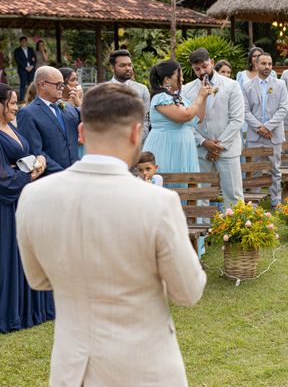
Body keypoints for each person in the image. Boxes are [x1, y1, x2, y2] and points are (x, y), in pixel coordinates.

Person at [16, 83, 206, 386]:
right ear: (135, 133)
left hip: (74, 370)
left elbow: (39, 279)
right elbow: (188, 291)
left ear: (80, 132)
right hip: (147, 368)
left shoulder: (33, 197)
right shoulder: (158, 202)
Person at [0, 84, 52, 333]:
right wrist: (30, 175)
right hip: (5, 206)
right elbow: (4, 178)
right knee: (8, 256)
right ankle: (9, 314)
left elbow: (24, 154)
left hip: (21, 200)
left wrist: (38, 160)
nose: (15, 107)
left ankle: (27, 309)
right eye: (10, 103)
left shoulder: (10, 127)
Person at [184, 48, 244, 206]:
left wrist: (218, 146)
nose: (202, 71)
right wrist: (204, 142)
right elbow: (186, 121)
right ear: (193, 69)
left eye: (205, 66)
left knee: (233, 195)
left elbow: (237, 119)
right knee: (200, 195)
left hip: (227, 149)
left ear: (211, 62)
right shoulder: (187, 89)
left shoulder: (232, 85)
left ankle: (237, 230)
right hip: (201, 149)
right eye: (197, 69)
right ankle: (202, 230)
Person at [143, 60, 211, 175]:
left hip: (184, 148)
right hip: (166, 147)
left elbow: (199, 118)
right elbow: (185, 115)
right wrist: (199, 96)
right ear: (167, 79)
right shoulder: (161, 98)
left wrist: (204, 97)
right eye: (179, 75)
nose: (182, 79)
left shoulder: (180, 98)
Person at [242, 52, 288, 207]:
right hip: (255, 136)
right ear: (256, 64)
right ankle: (254, 202)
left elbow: (283, 108)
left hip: (273, 135)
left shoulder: (280, 84)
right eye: (263, 64)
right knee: (254, 169)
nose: (267, 67)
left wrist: (268, 127)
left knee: (275, 169)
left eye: (269, 64)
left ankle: (276, 202)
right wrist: (259, 128)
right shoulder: (247, 85)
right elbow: (245, 110)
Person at [17, 66, 80, 175]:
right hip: (51, 177)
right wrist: (62, 174)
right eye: (58, 84)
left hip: (75, 173)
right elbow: (35, 151)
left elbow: (91, 119)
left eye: (63, 84)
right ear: (42, 84)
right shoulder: (28, 113)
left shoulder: (68, 107)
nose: (62, 87)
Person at [107, 49, 151, 143]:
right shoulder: (103, 90)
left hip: (137, 144)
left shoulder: (142, 90)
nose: (128, 68)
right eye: (122, 65)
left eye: (129, 65)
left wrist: (136, 140)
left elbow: (145, 120)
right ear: (112, 68)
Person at [14, 36, 36, 101]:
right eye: (22, 41)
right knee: (23, 84)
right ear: (20, 42)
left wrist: (32, 66)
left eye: (25, 41)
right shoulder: (17, 50)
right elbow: (18, 60)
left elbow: (34, 58)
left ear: (27, 42)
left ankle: (32, 98)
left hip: (31, 69)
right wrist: (25, 67)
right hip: (22, 69)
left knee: (31, 84)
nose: (24, 42)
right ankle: (21, 99)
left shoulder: (30, 49)